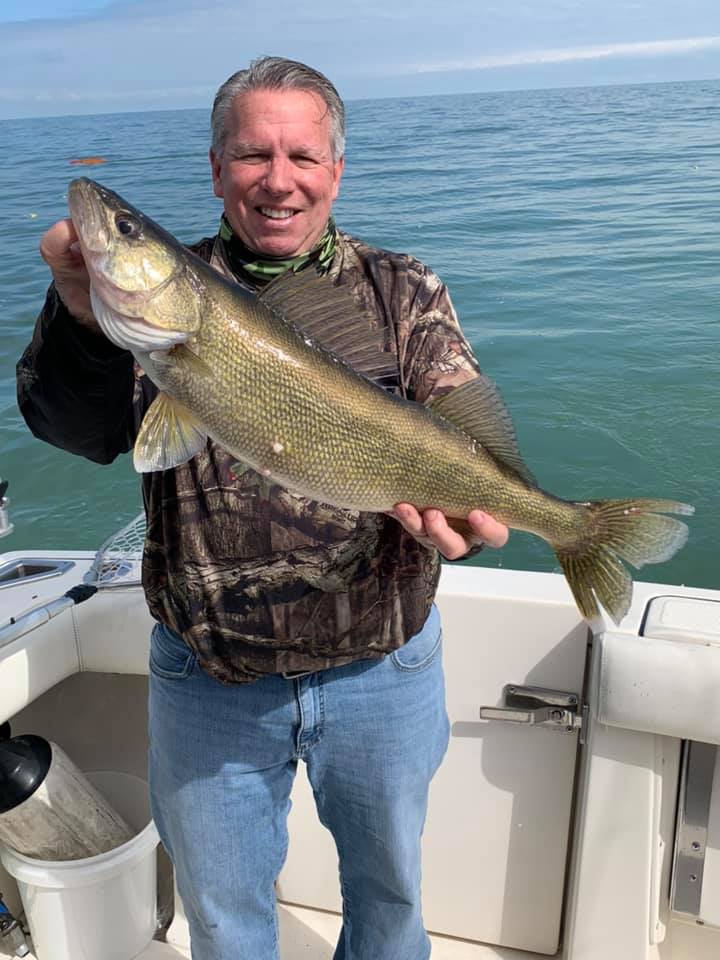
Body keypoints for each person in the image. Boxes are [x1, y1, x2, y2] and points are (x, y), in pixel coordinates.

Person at [17, 57, 508, 960]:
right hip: (211, 680)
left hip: (381, 669)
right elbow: (72, 428)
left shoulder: (402, 289)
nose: (278, 180)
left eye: (302, 156)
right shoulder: (157, 308)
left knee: (391, 903)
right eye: (251, 155)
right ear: (215, 170)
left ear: (335, 170)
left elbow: (461, 430)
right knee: (225, 921)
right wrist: (81, 312)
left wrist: (473, 521)